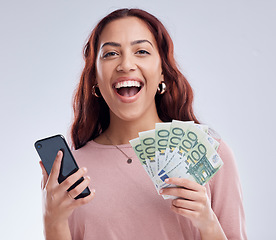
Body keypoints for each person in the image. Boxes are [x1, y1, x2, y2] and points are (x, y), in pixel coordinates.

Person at [39, 8, 247, 240]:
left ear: (162, 72)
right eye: (110, 54)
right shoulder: (70, 171)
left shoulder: (213, 154)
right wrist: (52, 220)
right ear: (95, 78)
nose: (126, 64)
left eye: (141, 51)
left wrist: (207, 223)